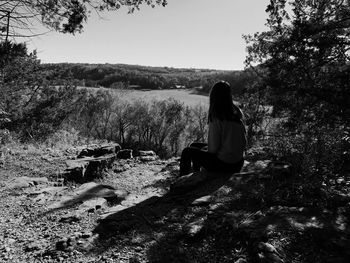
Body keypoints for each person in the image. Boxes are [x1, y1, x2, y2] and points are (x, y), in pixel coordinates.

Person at [179, 81, 247, 176]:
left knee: (187, 151)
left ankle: (182, 181)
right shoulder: (236, 114)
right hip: (238, 163)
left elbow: (212, 150)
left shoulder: (218, 117)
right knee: (195, 145)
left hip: (226, 165)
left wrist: (205, 149)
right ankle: (197, 174)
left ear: (214, 97)